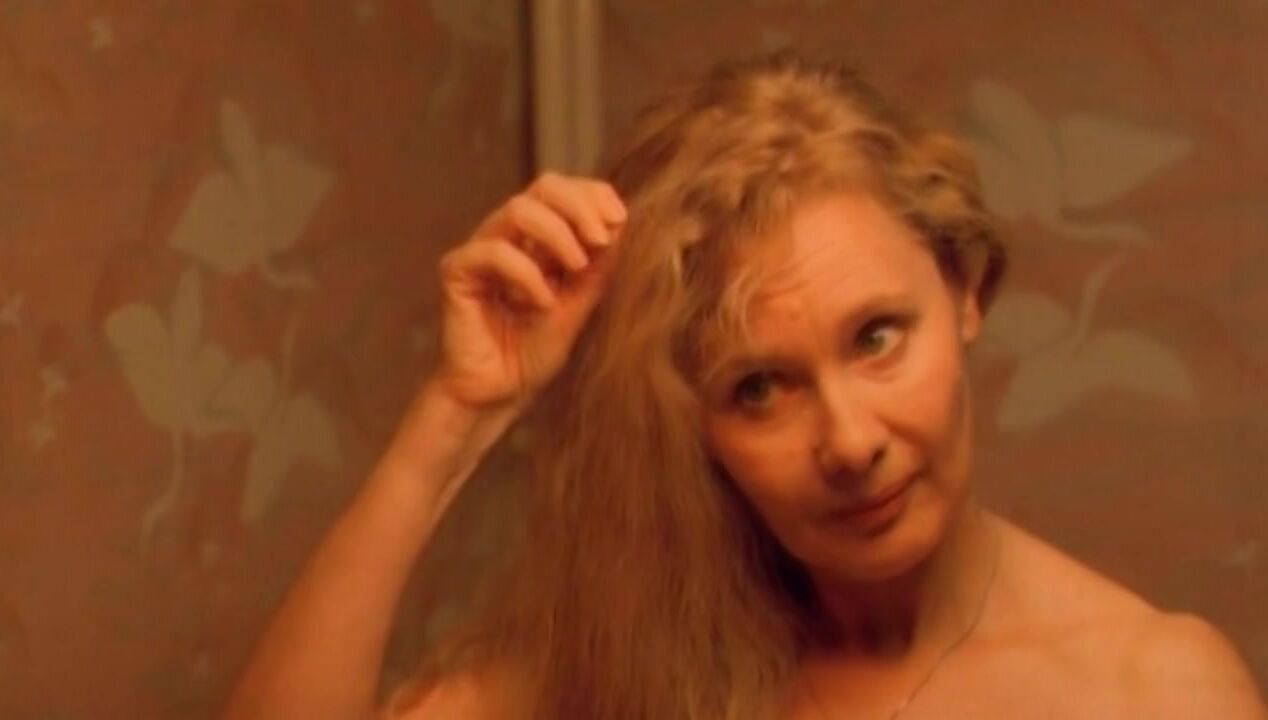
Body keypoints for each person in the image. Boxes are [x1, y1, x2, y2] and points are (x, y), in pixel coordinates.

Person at [223, 52, 1267, 720]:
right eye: (760, 389)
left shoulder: (1151, 690)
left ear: (962, 291)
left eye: (877, 339)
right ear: (697, 424)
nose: (849, 441)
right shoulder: (635, 655)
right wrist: (454, 419)